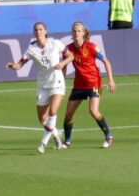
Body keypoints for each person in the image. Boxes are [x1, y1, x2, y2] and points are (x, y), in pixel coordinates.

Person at [6, 22, 70, 154]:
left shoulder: (55, 43)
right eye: (36, 30)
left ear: (45, 31)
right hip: (42, 86)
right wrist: (13, 65)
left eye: (41, 29)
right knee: (42, 118)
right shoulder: (31, 49)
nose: (38, 31)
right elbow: (20, 64)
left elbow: (71, 56)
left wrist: (62, 63)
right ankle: (57, 137)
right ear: (33, 33)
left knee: (53, 111)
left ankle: (43, 144)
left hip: (57, 82)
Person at [62, 21, 115, 149]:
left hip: (93, 83)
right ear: (72, 33)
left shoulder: (91, 46)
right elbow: (64, 67)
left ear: (83, 33)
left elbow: (106, 62)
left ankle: (108, 136)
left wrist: (111, 80)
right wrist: (61, 84)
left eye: (79, 31)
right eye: (74, 31)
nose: (76, 33)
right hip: (78, 86)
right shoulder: (68, 49)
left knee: (93, 111)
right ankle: (67, 141)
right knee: (68, 114)